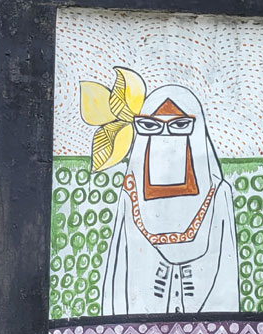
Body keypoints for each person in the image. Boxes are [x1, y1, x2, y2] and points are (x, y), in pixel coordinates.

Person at [100, 85, 238, 314]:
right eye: (151, 126)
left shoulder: (218, 194)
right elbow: (118, 268)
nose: (164, 135)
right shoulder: (130, 195)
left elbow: (227, 271)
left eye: (179, 125)